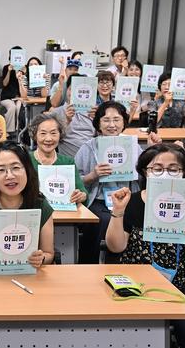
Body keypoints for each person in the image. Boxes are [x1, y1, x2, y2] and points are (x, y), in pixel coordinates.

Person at [106, 143, 185, 348]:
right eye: (157, 168)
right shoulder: (131, 202)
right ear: (145, 172)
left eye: (173, 169)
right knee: (125, 332)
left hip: (180, 284)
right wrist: (118, 212)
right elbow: (115, 247)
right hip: (134, 282)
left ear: (183, 172)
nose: (165, 174)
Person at [74, 101, 157, 263]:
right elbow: (75, 179)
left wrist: (150, 151)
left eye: (117, 119)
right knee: (103, 220)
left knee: (136, 218)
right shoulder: (88, 147)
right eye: (106, 120)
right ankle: (92, 264)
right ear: (98, 124)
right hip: (99, 200)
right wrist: (93, 175)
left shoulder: (132, 145)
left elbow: (146, 175)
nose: (112, 125)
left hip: (128, 199)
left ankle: (129, 263)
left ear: (124, 122)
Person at [28, 114, 87, 206]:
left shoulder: (67, 162)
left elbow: (82, 190)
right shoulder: (26, 160)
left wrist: (81, 196)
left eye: (53, 133)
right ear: (35, 136)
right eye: (43, 133)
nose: (48, 139)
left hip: (63, 211)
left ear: (60, 135)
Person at [50, 74, 96, 158]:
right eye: (72, 89)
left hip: (93, 157)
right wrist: (67, 121)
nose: (75, 93)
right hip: (70, 159)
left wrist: (98, 121)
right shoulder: (56, 113)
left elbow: (102, 137)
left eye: (81, 91)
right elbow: (51, 138)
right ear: (67, 90)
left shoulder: (93, 112)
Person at [0, 49, 25, 137]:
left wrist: (23, 73)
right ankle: (8, 131)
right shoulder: (6, 67)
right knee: (12, 107)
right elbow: (4, 83)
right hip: (7, 97)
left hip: (19, 97)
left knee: (19, 107)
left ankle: (18, 131)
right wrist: (9, 71)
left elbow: (25, 85)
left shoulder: (24, 69)